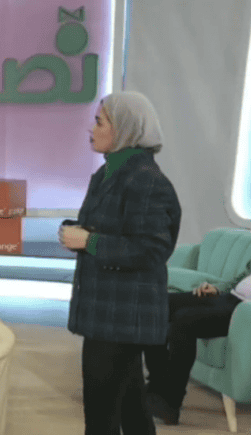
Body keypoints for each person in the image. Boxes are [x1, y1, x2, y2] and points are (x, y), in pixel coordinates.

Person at [59, 91, 182, 434]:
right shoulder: (107, 174)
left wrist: (89, 241)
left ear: (125, 129)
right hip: (106, 314)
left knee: (101, 418)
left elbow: (152, 249)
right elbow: (111, 229)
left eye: (100, 122)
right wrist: (77, 233)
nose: (92, 129)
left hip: (123, 317)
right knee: (132, 408)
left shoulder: (146, 179)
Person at [144, 265, 251, 425]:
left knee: (183, 320)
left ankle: (170, 402)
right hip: (229, 297)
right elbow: (241, 277)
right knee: (160, 304)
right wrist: (217, 288)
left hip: (243, 312)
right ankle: (156, 385)